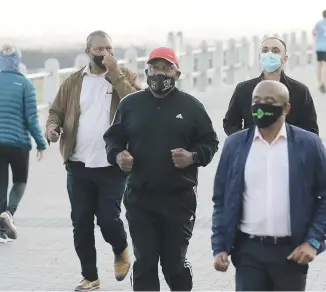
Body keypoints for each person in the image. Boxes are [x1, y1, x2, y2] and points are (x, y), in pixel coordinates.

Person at [103, 47, 219, 291]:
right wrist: (118, 156)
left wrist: (193, 156)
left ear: (177, 73)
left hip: (179, 199)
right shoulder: (130, 105)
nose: (160, 73)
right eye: (155, 67)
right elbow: (113, 139)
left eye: (167, 68)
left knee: (173, 264)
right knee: (145, 262)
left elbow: (210, 142)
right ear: (147, 71)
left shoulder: (191, 107)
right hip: (140, 197)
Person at [211, 80, 326, 291]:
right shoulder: (235, 145)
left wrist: (313, 241)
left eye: (270, 101)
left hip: (291, 252)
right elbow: (221, 199)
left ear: (286, 108)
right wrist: (219, 247)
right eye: (257, 101)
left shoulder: (307, 144)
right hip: (248, 252)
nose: (261, 106)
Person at [45, 30, 142, 291]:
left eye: (109, 49)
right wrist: (52, 128)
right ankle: (90, 276)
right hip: (78, 163)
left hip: (112, 164)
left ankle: (121, 249)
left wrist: (115, 74)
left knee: (109, 218)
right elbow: (55, 111)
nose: (104, 54)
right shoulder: (74, 81)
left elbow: (139, 105)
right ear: (88, 51)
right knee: (81, 222)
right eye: (99, 50)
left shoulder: (125, 77)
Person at [223, 37, 319, 136]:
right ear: (260, 57)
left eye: (275, 51)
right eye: (265, 50)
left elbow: (311, 130)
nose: (269, 54)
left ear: (285, 59)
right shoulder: (243, 89)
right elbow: (230, 123)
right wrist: (245, 142)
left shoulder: (300, 91)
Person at [0, 43, 47, 243]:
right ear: (18, 61)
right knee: (20, 181)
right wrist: (41, 143)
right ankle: (9, 214)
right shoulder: (26, 84)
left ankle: (1, 231)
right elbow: (31, 119)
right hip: (19, 143)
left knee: (0, 185)